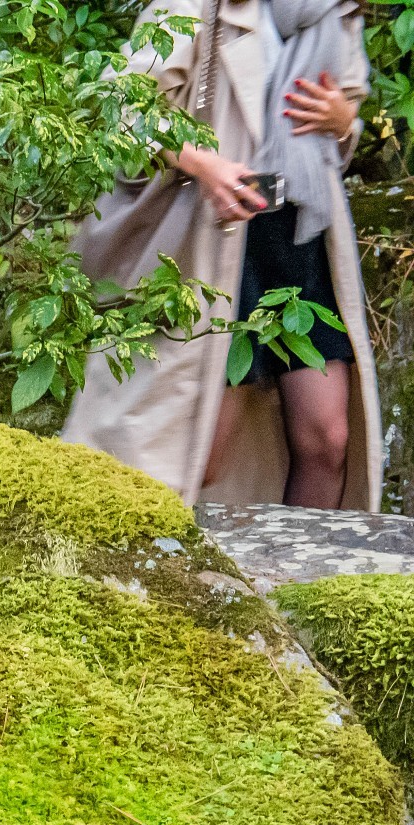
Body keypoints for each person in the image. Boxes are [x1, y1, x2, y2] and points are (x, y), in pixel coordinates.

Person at [63, 0, 381, 510]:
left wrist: (345, 122)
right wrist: (202, 163)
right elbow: (122, 105)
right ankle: (177, 581)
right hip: (214, 244)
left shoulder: (335, 12)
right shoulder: (193, 5)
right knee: (196, 450)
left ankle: (301, 585)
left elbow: (339, 132)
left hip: (301, 238)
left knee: (327, 438)